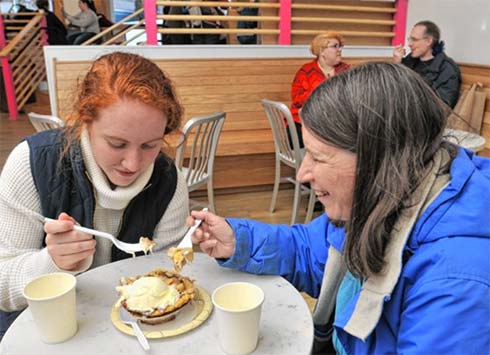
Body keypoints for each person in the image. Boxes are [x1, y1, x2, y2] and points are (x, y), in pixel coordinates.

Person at [189, 62, 490, 354]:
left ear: (381, 162)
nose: (303, 174)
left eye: (318, 158)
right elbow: (309, 249)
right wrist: (237, 240)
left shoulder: (456, 281)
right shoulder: (381, 200)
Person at [0, 52, 190, 338]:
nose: (133, 164)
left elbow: (168, 278)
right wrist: (52, 263)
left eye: (150, 145)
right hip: (46, 332)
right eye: (117, 144)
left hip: (134, 332)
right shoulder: (33, 163)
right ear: (85, 122)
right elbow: (3, 290)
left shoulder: (168, 180)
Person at [290, 31, 350, 148]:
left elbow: (351, 97)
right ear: (322, 51)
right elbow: (297, 99)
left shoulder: (346, 70)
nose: (339, 50)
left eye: (340, 46)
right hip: (307, 119)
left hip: (337, 120)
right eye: (335, 46)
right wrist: (320, 92)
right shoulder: (306, 71)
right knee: (300, 135)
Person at [393, 20, 461, 108]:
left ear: (429, 41)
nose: (409, 44)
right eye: (409, 39)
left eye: (414, 39)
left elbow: (443, 107)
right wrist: (397, 65)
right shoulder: (408, 61)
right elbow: (394, 90)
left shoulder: (447, 69)